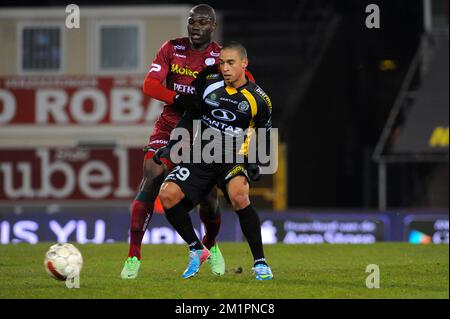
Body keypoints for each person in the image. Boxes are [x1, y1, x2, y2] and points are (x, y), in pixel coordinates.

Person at [121, 4, 227, 279]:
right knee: (152, 174)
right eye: (192, 21)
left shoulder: (220, 57)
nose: (195, 26)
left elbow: (239, 88)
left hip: (203, 130)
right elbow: (150, 85)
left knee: (209, 197)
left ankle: (210, 246)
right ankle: (133, 256)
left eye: (202, 22)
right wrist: (179, 98)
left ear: (212, 27)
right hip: (169, 126)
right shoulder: (172, 48)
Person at [155, 42, 274, 280]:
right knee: (167, 195)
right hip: (202, 153)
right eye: (221, 63)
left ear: (244, 64)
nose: (225, 68)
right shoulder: (209, 85)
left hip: (233, 156)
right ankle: (196, 248)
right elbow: (190, 116)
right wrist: (172, 146)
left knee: (240, 196)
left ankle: (260, 263)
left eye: (231, 63)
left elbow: (264, 133)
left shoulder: (259, 100)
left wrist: (255, 161)